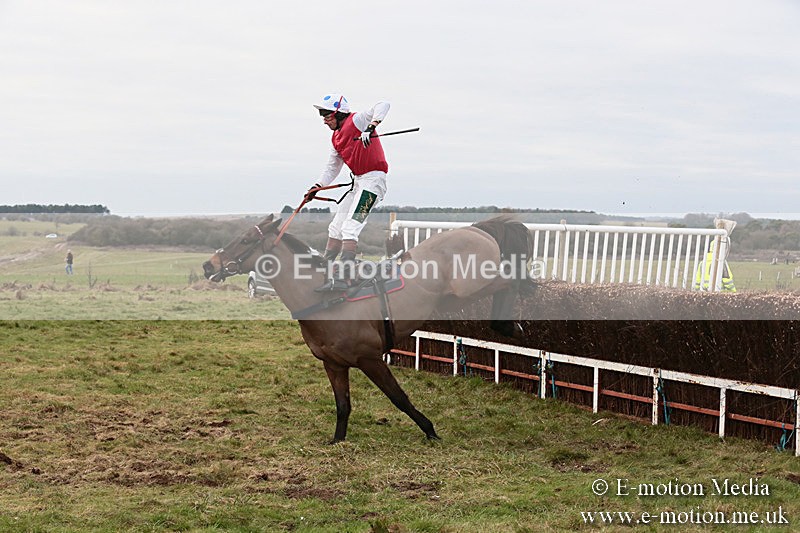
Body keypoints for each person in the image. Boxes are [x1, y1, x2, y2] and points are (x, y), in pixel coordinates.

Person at [308, 93, 390, 291]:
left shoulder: (357, 120)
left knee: (350, 227)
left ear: (339, 113)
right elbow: (332, 167)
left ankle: (344, 279)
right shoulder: (335, 138)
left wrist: (371, 127)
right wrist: (317, 186)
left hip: (373, 182)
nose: (325, 121)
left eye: (327, 116)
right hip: (358, 183)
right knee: (335, 227)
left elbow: (383, 103)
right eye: (323, 117)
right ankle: (326, 272)